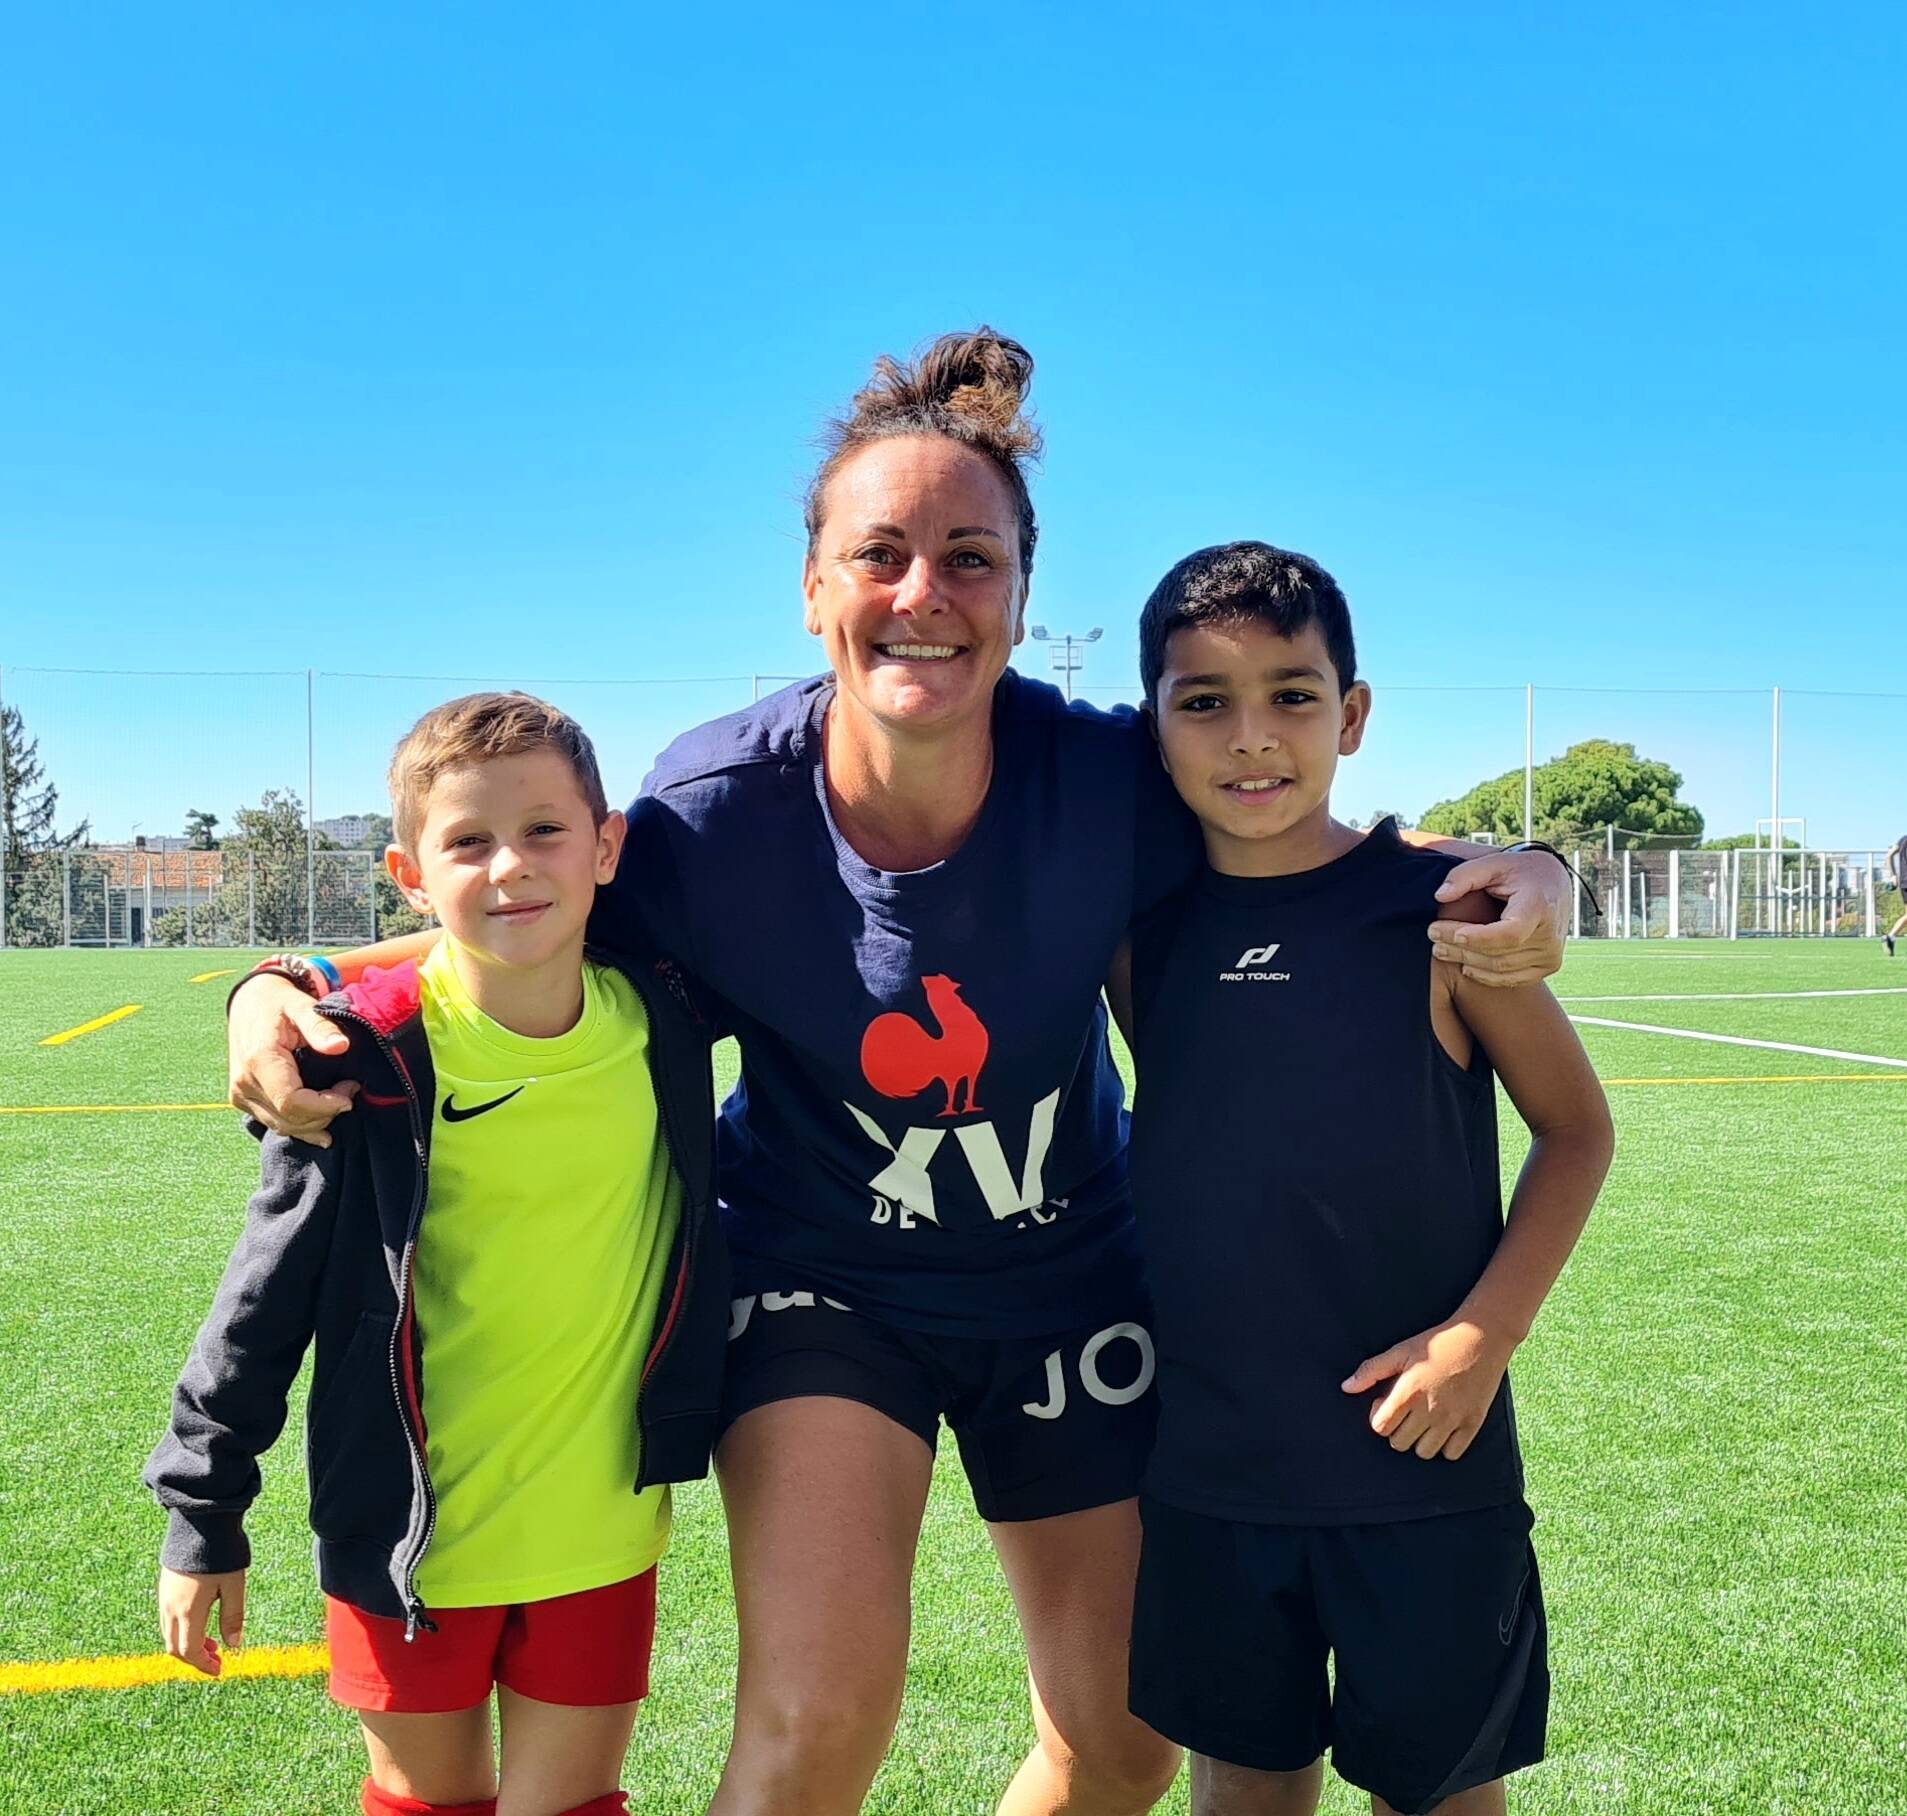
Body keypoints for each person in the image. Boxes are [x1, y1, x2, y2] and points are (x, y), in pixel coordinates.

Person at [223, 331, 1578, 1816]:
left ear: (1018, 592)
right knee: (815, 1721)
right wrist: (279, 986)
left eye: (969, 558)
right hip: (821, 1289)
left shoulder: (1109, 780)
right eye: (878, 554)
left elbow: (1306, 836)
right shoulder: (706, 816)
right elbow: (499, 921)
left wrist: (1535, 865)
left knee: (1123, 1742)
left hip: (1070, 1281)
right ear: (812, 588)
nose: (921, 595)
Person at [148, 694, 728, 1816]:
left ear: (606, 846)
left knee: (572, 1804)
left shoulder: (664, 1015)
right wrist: (202, 1510)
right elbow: (261, 1298)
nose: (511, 865)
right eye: (467, 840)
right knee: (425, 1804)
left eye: (546, 830)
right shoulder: (366, 1063)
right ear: (408, 873)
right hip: (405, 1543)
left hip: (600, 1531)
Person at [1117, 544, 1613, 1816]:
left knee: (1439, 1791)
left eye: (1290, 694)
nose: (1250, 738)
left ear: (1350, 713)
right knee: (1242, 1782)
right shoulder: (1138, 930)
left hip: (1421, 1462)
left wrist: (1480, 1335)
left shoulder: (1441, 914)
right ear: (1153, 723)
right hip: (1210, 1465)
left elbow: (1573, 1130)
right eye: (1202, 701)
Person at [1883, 831, 1906, 955]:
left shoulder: (1903, 839)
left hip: (1903, 882)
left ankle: (1890, 937)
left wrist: (1893, 876)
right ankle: (1890, 936)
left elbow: (1889, 855)